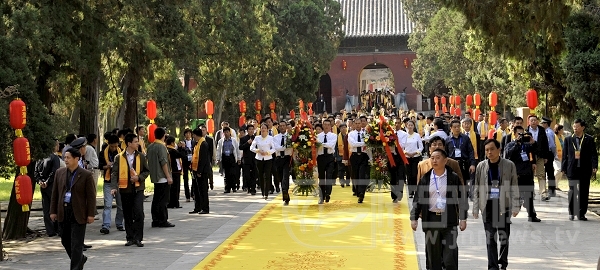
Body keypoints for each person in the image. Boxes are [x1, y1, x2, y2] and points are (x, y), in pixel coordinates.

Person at [410, 149, 468, 270]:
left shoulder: (453, 177)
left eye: (437, 158)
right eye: (432, 158)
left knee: (449, 256)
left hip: (449, 220)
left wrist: (463, 218)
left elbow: (462, 198)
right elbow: (418, 199)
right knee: (433, 258)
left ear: (445, 160)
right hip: (431, 220)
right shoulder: (426, 178)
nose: (434, 160)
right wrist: (414, 218)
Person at [472, 139, 520, 270]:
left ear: (499, 149)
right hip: (487, 206)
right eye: (487, 150)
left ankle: (502, 263)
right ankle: (493, 266)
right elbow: (476, 187)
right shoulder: (481, 166)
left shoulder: (509, 165)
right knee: (490, 238)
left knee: (504, 237)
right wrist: (475, 207)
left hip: (503, 206)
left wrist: (516, 205)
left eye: (492, 149)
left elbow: (514, 185)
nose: (489, 152)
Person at [50, 148, 96, 270]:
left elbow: (91, 196)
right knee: (65, 241)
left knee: (76, 244)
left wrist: (91, 214)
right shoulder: (59, 173)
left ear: (77, 159)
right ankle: (80, 258)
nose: (65, 160)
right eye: (64, 157)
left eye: (68, 157)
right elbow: (55, 194)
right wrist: (53, 211)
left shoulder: (86, 175)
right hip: (63, 211)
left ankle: (75, 267)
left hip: (79, 213)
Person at [110, 134, 150, 247]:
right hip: (125, 189)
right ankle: (130, 237)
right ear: (129, 143)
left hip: (138, 189)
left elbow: (146, 171)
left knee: (138, 212)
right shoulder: (119, 157)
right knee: (127, 213)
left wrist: (139, 178)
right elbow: (114, 173)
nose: (138, 143)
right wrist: (113, 187)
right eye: (135, 141)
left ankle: (138, 238)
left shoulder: (141, 156)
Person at [561, 119, 598, 221]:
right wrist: (563, 168)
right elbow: (565, 155)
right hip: (572, 169)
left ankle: (581, 213)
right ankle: (571, 212)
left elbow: (593, 154)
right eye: (574, 127)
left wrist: (594, 165)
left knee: (583, 192)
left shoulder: (589, 139)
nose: (575, 129)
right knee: (572, 191)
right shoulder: (568, 139)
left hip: (585, 169)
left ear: (582, 127)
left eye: (577, 127)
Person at [504, 126, 541, 222]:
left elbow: (536, 152)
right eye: (519, 134)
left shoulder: (527, 145)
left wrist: (534, 143)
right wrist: (516, 143)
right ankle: (507, 217)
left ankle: (532, 216)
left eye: (523, 134)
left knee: (529, 195)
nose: (521, 136)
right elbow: (508, 154)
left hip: (527, 173)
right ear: (515, 134)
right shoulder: (511, 144)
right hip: (516, 174)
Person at [146, 127, 175, 228]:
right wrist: (168, 176)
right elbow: (164, 162)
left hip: (155, 176)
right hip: (162, 176)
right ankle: (163, 220)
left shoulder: (150, 147)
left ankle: (155, 220)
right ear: (164, 135)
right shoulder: (161, 147)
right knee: (163, 199)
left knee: (156, 199)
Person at [98, 135, 124, 234]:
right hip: (108, 182)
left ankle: (119, 223)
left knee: (120, 205)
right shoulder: (102, 153)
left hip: (120, 181)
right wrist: (107, 166)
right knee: (107, 204)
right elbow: (100, 166)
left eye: (115, 146)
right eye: (112, 146)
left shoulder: (122, 153)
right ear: (108, 144)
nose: (113, 148)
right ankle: (106, 225)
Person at [36, 139, 61, 237]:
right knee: (55, 206)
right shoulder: (54, 158)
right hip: (52, 185)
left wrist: (40, 181)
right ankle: (57, 228)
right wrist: (47, 181)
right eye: (57, 144)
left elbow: (36, 172)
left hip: (43, 186)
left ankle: (50, 230)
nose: (58, 146)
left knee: (46, 207)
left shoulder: (40, 158)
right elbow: (55, 171)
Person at [445, 120, 477, 196]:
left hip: (463, 164)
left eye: (458, 127)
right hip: (452, 164)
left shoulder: (465, 138)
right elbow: (445, 154)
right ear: (451, 128)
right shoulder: (448, 140)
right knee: (453, 183)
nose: (457, 129)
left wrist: (472, 164)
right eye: (455, 127)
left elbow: (471, 151)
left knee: (464, 182)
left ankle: (464, 199)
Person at [527, 115, 552, 201]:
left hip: (540, 155)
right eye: (531, 120)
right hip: (530, 155)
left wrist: (546, 156)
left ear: (537, 121)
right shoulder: (526, 131)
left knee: (541, 174)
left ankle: (543, 193)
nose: (533, 122)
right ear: (529, 122)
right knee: (530, 175)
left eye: (535, 120)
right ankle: (531, 192)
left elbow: (545, 144)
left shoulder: (541, 130)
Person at [190, 127, 212, 214]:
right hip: (195, 170)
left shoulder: (203, 144)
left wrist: (199, 171)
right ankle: (197, 207)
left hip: (202, 172)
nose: (193, 137)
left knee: (203, 190)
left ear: (195, 135)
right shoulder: (196, 143)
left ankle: (205, 208)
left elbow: (203, 160)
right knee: (196, 190)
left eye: (193, 135)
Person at [250, 123, 276, 200]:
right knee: (260, 175)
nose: (263, 130)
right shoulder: (257, 138)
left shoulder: (270, 138)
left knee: (267, 176)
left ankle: (266, 193)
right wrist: (258, 151)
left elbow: (274, 149)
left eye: (265, 128)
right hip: (259, 159)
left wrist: (268, 152)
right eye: (262, 128)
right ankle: (262, 191)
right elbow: (252, 147)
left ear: (267, 130)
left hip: (268, 159)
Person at [348, 116, 369, 203]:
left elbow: (368, 144)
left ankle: (361, 193)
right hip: (354, 156)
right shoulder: (351, 134)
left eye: (359, 123)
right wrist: (363, 143)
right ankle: (357, 190)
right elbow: (353, 144)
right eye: (356, 123)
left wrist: (361, 144)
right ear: (353, 124)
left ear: (362, 124)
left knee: (362, 175)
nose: (357, 125)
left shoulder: (366, 133)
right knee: (355, 175)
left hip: (364, 156)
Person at [316, 120, 338, 204]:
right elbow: (317, 146)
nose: (326, 126)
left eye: (328, 125)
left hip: (329, 157)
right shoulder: (318, 136)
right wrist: (322, 144)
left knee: (329, 176)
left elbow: (331, 145)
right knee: (321, 177)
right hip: (321, 157)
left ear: (330, 126)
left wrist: (321, 144)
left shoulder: (333, 136)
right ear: (322, 125)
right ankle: (321, 196)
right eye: (325, 125)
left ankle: (328, 193)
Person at [216, 127, 241, 193]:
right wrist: (218, 159)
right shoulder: (221, 141)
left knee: (232, 173)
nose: (226, 133)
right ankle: (227, 188)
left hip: (232, 157)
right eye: (225, 132)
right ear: (223, 133)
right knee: (226, 174)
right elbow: (218, 150)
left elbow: (237, 150)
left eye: (227, 132)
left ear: (230, 132)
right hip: (225, 158)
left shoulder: (234, 140)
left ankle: (233, 187)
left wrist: (239, 158)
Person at [274, 120, 293, 205]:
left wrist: (285, 147)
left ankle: (285, 191)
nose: (282, 127)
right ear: (278, 127)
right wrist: (285, 146)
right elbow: (277, 148)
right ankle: (285, 193)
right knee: (280, 177)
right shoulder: (276, 137)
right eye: (280, 126)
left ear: (286, 127)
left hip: (287, 158)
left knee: (286, 176)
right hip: (278, 159)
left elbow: (291, 147)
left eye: (283, 126)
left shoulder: (290, 137)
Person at [404, 120, 423, 198]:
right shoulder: (404, 136)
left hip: (415, 157)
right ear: (406, 126)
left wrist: (415, 153)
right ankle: (410, 192)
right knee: (408, 174)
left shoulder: (417, 135)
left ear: (414, 126)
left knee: (414, 174)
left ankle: (415, 190)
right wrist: (407, 153)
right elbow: (402, 147)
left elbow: (421, 147)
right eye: (409, 125)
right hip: (407, 157)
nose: (410, 127)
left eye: (411, 125)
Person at [540, 117, 557, 197]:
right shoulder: (546, 131)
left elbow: (552, 146)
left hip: (549, 153)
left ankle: (552, 189)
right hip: (547, 153)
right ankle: (549, 189)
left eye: (542, 123)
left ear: (546, 124)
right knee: (548, 172)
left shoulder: (548, 132)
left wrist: (552, 154)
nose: (542, 124)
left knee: (550, 172)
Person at [166, 136, 184, 208]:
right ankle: (175, 203)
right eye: (174, 142)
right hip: (175, 171)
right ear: (172, 143)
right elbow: (180, 155)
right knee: (176, 188)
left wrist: (179, 148)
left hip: (171, 171)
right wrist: (182, 148)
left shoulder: (167, 149)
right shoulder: (172, 150)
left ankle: (172, 203)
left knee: (172, 189)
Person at [239, 125, 257, 195]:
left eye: (252, 129)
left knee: (254, 174)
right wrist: (247, 143)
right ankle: (249, 187)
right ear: (247, 130)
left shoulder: (256, 138)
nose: (251, 131)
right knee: (247, 175)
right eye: (249, 129)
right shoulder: (243, 138)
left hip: (255, 159)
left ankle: (253, 188)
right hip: (246, 159)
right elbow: (240, 147)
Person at [181, 129, 195, 202]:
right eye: (186, 133)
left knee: (194, 178)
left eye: (189, 133)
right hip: (185, 162)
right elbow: (180, 153)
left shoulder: (194, 142)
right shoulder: (182, 143)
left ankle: (193, 193)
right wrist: (183, 148)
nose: (188, 135)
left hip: (192, 162)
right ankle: (187, 195)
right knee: (185, 179)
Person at [336, 123, 350, 188]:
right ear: (340, 129)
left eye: (345, 127)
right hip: (340, 155)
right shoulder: (337, 137)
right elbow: (335, 147)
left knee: (348, 169)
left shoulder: (349, 136)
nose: (343, 129)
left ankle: (347, 182)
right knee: (341, 169)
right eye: (342, 128)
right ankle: (341, 181)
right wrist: (336, 156)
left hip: (347, 155)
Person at [553, 124, 565, 190]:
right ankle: (552, 183)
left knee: (561, 171)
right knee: (558, 170)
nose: (563, 130)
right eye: (562, 129)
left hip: (562, 156)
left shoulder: (562, 137)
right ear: (558, 130)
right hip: (555, 156)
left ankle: (556, 185)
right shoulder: (554, 136)